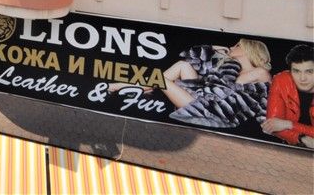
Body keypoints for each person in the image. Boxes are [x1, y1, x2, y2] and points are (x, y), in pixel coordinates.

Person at [110, 39, 272, 129]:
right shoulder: (230, 67)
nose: (231, 47)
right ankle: (139, 87)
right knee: (183, 65)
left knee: (163, 80)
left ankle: (126, 86)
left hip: (211, 111)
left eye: (237, 46)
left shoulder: (260, 73)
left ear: (248, 50)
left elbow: (265, 104)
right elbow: (193, 59)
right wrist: (213, 48)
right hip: (202, 97)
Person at [262, 44, 314, 148]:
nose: (302, 78)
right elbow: (271, 125)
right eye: (296, 71)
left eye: (309, 71)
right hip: (292, 146)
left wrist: (289, 124)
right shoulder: (281, 81)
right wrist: (301, 138)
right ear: (290, 71)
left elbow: (280, 125)